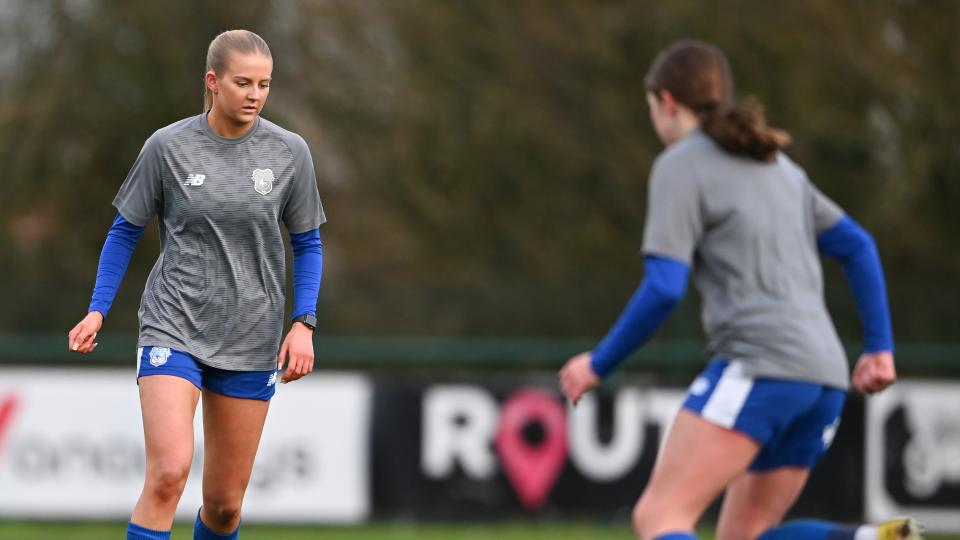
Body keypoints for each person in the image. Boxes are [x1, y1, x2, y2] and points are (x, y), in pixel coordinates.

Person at [558, 40, 921, 540]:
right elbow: (857, 244)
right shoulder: (781, 169)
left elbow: (665, 288)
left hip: (760, 368)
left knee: (660, 517)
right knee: (746, 535)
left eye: (650, 109)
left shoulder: (680, 165)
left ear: (667, 102)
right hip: (824, 380)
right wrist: (879, 347)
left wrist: (597, 363)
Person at [67, 29, 325, 540]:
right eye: (243, 82)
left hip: (252, 333)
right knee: (168, 475)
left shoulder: (290, 152)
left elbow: (308, 245)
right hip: (173, 324)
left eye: (265, 84)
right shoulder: (167, 147)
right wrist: (98, 308)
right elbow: (125, 231)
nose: (254, 94)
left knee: (225, 507)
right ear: (212, 81)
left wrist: (305, 322)